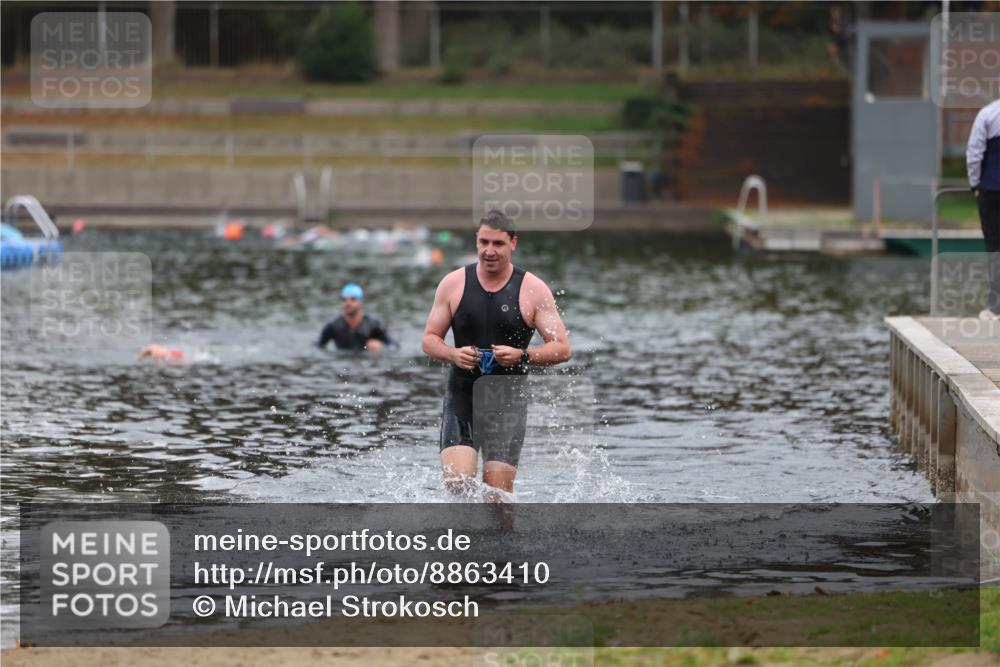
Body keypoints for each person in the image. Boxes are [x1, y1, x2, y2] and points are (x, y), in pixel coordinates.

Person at [421, 209, 571, 500]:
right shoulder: (453, 283)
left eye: (498, 244)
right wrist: (452, 354)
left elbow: (562, 348)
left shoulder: (533, 289)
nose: (489, 251)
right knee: (458, 483)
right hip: (463, 396)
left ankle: (500, 531)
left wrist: (522, 356)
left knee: (497, 496)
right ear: (476, 241)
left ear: (513, 243)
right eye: (483, 242)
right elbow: (429, 339)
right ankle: (463, 531)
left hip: (508, 401)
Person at [967, 98, 1000, 320]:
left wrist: (975, 184)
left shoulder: (987, 114)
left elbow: (974, 153)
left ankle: (996, 308)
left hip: (992, 190)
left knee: (995, 247)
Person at [317, 283, 394, 354]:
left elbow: (393, 346)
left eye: (353, 299)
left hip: (365, 360)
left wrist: (381, 346)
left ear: (360, 302)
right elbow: (318, 347)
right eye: (345, 300)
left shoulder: (374, 326)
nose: (348, 303)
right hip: (342, 360)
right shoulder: (333, 326)